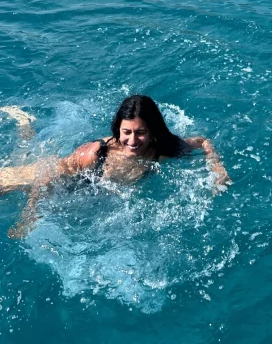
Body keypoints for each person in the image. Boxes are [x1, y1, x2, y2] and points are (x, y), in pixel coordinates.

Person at [0, 95, 230, 239]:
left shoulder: (160, 151)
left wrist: (217, 168)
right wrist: (28, 217)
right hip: (61, 178)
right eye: (126, 132)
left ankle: (25, 125)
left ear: (152, 132)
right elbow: (46, 177)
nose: (132, 141)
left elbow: (201, 141)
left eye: (140, 133)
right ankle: (24, 123)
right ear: (117, 130)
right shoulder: (94, 153)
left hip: (89, 189)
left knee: (23, 156)